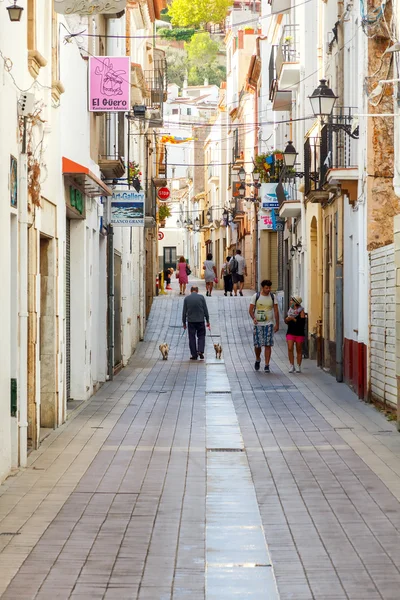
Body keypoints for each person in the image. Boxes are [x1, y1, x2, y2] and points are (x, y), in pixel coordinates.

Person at [249, 279, 279, 373]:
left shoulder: (273, 297)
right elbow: (250, 310)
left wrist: (277, 324)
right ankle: (258, 358)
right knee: (258, 345)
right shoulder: (256, 296)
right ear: (262, 287)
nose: (268, 289)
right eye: (267, 288)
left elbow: (276, 311)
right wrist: (253, 318)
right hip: (258, 324)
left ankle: (267, 364)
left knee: (268, 344)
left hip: (269, 324)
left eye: (269, 287)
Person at [182, 286, 210, 360]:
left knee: (192, 338)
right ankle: (200, 350)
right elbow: (205, 309)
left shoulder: (187, 299)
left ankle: (194, 354)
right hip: (200, 320)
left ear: (191, 291)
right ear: (197, 291)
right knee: (201, 336)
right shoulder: (201, 298)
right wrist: (207, 320)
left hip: (191, 321)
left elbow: (184, 312)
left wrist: (184, 322)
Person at [285, 296, 306, 373]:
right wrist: (287, 320)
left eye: (292, 300)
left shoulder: (301, 311)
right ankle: (291, 365)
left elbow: (302, 323)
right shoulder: (290, 310)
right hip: (290, 332)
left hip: (299, 333)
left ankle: (298, 365)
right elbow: (286, 320)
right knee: (290, 348)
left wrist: (293, 319)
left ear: (295, 303)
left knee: (299, 349)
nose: (290, 301)